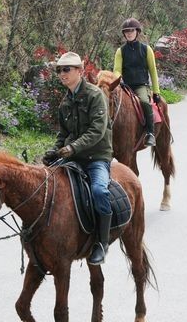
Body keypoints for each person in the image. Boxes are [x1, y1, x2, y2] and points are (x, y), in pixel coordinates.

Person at [42, 52, 114, 265]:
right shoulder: (64, 104)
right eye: (59, 70)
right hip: (73, 157)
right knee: (47, 186)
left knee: (100, 191)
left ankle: (102, 242)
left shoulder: (95, 95)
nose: (62, 73)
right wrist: (55, 151)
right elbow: (62, 135)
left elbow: (97, 131)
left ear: (80, 72)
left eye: (66, 69)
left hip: (96, 157)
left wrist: (72, 148)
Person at [113, 18, 161, 147]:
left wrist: (156, 91)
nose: (129, 33)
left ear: (137, 32)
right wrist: (117, 80)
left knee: (145, 102)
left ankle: (150, 133)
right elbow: (117, 70)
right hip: (126, 86)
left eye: (131, 30)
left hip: (141, 85)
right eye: (126, 31)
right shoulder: (120, 51)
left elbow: (153, 71)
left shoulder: (146, 49)